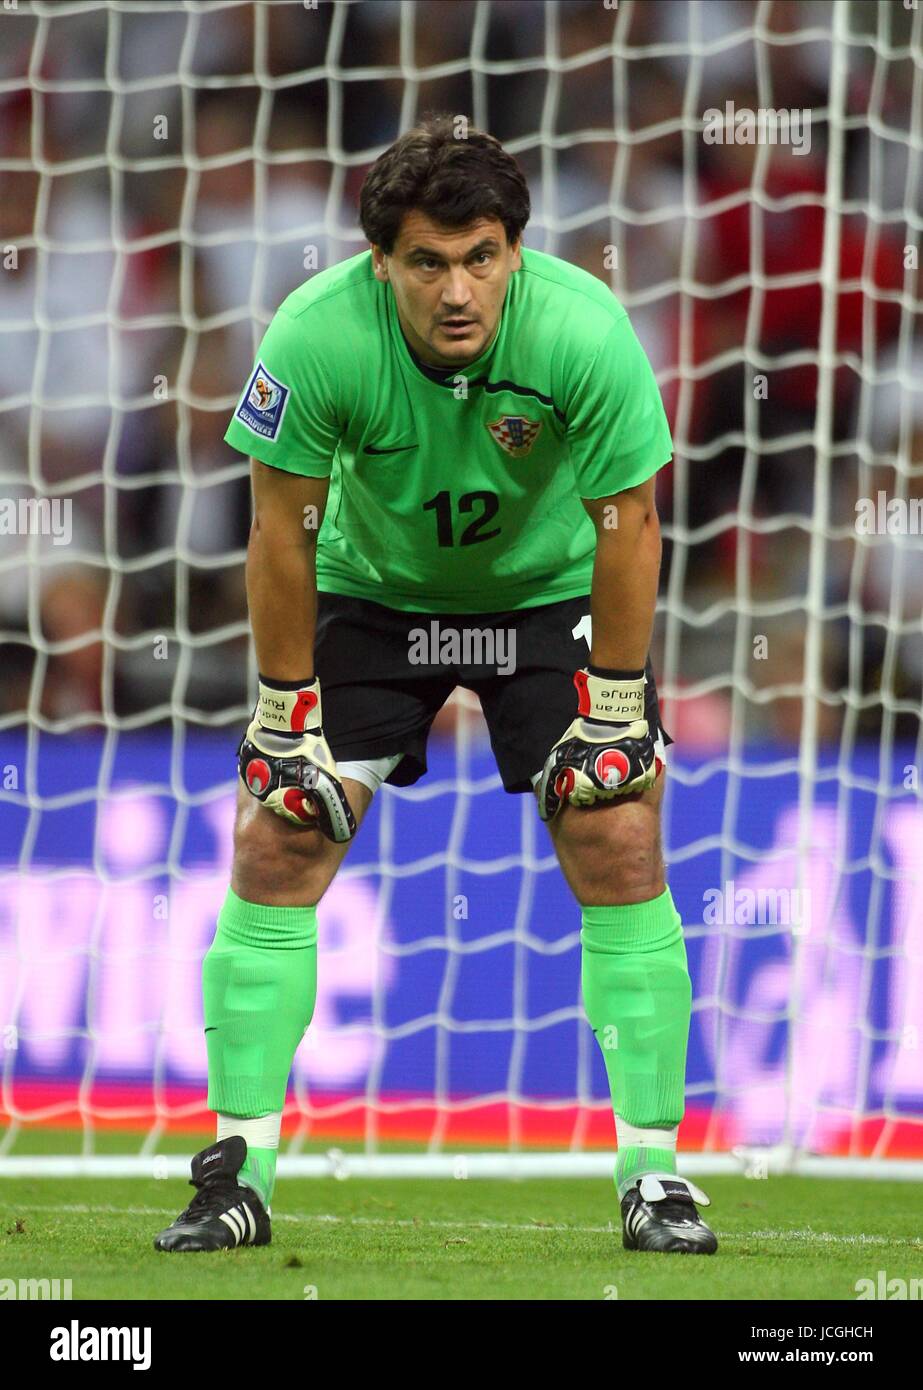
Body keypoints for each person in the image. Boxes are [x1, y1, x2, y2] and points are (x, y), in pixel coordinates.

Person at [154, 115, 716, 1257]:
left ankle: (654, 1179)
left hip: (546, 588)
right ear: (381, 262)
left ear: (513, 250)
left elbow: (630, 523)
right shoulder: (315, 337)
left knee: (615, 831)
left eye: (480, 257)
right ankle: (236, 1174)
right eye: (426, 261)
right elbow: (277, 526)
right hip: (375, 591)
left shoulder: (585, 331)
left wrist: (611, 706)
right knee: (278, 833)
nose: (456, 290)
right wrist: (281, 715)